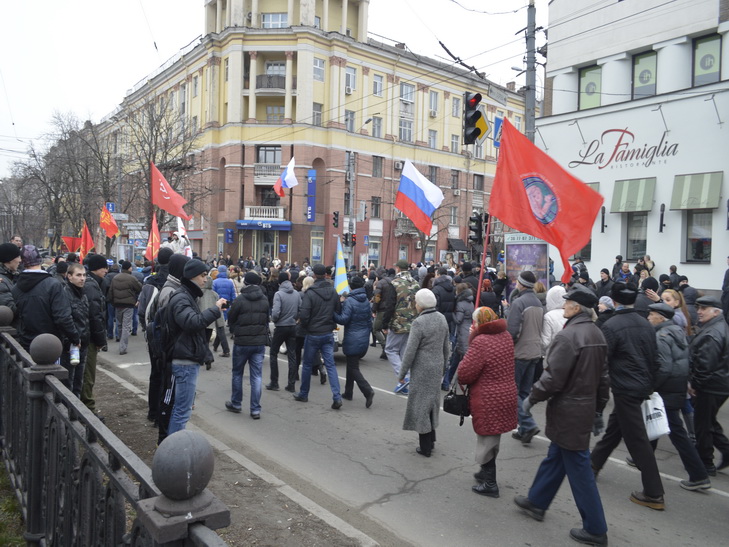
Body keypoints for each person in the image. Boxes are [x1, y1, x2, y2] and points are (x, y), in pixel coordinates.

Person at [515, 284, 609, 547]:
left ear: (576, 308)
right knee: (556, 457)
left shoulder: (569, 337)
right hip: (582, 409)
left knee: (579, 469)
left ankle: (595, 528)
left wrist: (532, 398)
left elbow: (553, 378)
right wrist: (599, 409)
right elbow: (603, 378)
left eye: (568, 302)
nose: (563, 305)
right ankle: (537, 501)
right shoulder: (595, 333)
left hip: (569, 410)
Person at [590, 282, 664, 511]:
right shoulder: (645, 323)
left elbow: (601, 362)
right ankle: (592, 466)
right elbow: (656, 360)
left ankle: (654, 493)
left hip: (625, 388)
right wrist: (650, 385)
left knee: (638, 440)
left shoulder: (611, 325)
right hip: (640, 386)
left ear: (613, 301)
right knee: (615, 429)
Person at [641, 302, 711, 490]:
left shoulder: (661, 336)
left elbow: (664, 366)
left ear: (661, 318)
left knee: (676, 431)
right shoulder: (677, 331)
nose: (648, 318)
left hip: (667, 389)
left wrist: (652, 386)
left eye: (652, 314)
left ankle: (698, 475)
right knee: (657, 421)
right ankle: (642, 458)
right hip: (677, 386)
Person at [457, 306, 516, 497]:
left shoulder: (481, 341)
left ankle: (490, 483)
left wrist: (472, 338)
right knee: (492, 436)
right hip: (506, 393)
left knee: (487, 439)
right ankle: (484, 472)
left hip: (489, 397)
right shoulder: (505, 335)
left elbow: (465, 373)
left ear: (479, 322)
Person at [166, 259, 224, 434]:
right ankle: (175, 453)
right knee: (182, 411)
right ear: (192, 277)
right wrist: (215, 309)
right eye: (203, 275)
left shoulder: (186, 295)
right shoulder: (182, 297)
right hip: (184, 362)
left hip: (187, 359)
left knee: (182, 409)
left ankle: (174, 448)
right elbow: (192, 322)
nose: (205, 279)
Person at [397, 289, 450, 457]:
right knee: (431, 403)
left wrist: (402, 372)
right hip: (437, 366)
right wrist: (444, 366)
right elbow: (446, 347)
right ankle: (431, 440)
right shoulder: (441, 318)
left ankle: (425, 446)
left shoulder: (419, 323)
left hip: (422, 368)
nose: (415, 305)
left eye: (416, 302)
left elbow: (410, 351)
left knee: (420, 405)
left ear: (421, 304)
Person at [688, 296, 729, 476]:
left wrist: (695, 384)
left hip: (711, 386)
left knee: (702, 425)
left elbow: (705, 365)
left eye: (704, 308)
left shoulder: (713, 333)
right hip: (718, 383)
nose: (699, 311)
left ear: (716, 312)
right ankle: (726, 451)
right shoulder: (717, 327)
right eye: (699, 308)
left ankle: (705, 463)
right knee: (709, 421)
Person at [11, 245, 79, 352]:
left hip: (25, 344)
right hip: (50, 345)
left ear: (22, 262)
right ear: (40, 260)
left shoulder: (15, 288)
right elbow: (63, 317)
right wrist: (74, 338)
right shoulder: (53, 285)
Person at [293, 264, 343, 409]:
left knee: (307, 364)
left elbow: (304, 315)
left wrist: (306, 327)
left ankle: (303, 393)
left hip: (313, 333)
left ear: (314, 275)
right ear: (326, 275)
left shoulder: (310, 293)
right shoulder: (333, 291)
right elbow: (337, 310)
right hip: (327, 332)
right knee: (331, 366)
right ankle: (337, 396)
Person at [506, 271, 544, 444]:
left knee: (513, 393)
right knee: (524, 393)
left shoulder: (519, 302)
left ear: (520, 284)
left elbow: (513, 331)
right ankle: (523, 431)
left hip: (520, 352)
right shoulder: (537, 301)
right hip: (535, 351)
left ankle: (528, 425)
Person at [226, 271, 269, 419]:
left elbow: (230, 318)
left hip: (242, 342)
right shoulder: (264, 299)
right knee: (256, 376)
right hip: (258, 342)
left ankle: (236, 403)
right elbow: (266, 318)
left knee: (237, 373)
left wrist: (235, 327)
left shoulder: (240, 299)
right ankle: (255, 409)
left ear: (245, 283)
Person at [62, 263, 105, 398]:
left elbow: (87, 319)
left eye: (84, 275)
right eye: (78, 275)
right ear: (69, 277)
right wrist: (73, 339)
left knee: (78, 383)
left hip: (83, 344)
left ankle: (75, 415)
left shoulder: (83, 295)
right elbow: (64, 319)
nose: (82, 278)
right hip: (71, 346)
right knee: (68, 382)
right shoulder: (65, 294)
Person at [334, 276, 375, 408]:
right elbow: (369, 320)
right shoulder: (365, 300)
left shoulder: (350, 301)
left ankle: (367, 390)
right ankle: (348, 391)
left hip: (352, 336)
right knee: (351, 364)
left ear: (351, 287)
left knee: (353, 367)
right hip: (363, 336)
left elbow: (344, 319)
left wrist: (333, 313)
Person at [382, 259, 420, 393]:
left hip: (398, 322)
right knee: (404, 352)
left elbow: (390, 305)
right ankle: (404, 382)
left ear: (398, 268)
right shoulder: (416, 283)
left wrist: (385, 324)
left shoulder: (395, 283)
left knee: (391, 350)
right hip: (413, 321)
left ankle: (403, 377)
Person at [81, 254, 109, 418]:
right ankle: (88, 409)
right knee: (88, 373)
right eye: (103, 267)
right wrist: (100, 340)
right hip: (89, 337)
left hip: (87, 335)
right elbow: (95, 315)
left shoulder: (92, 284)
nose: (106, 270)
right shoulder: (92, 286)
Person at [267, 271, 300, 392]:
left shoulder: (279, 294)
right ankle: (291, 384)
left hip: (281, 326)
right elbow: (299, 309)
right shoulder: (296, 293)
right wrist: (294, 318)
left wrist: (275, 319)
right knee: (292, 355)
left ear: (279, 282)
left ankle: (274, 382)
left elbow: (275, 313)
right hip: (292, 326)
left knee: (273, 353)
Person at [443, 283, 475, 388]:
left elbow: (458, 320)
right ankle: (447, 382)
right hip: (467, 332)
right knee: (458, 359)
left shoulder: (460, 304)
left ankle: (447, 382)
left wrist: (451, 313)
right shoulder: (471, 303)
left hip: (461, 333)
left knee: (455, 360)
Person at [109, 261, 142, 355]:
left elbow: (111, 291)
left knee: (119, 324)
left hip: (117, 304)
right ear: (129, 268)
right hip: (129, 304)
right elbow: (139, 288)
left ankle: (120, 342)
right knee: (126, 326)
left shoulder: (115, 278)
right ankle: (123, 347)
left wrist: (113, 302)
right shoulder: (132, 278)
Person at [371, 267, 394, 360]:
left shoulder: (381, 283)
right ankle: (386, 349)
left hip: (382, 309)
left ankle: (385, 346)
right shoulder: (393, 281)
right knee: (385, 330)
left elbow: (377, 298)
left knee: (375, 329)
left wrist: (373, 309)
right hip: (391, 308)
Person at [541, 285, 567, 353]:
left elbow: (545, 342)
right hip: (567, 353)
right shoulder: (568, 313)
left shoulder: (548, 316)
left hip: (553, 354)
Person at [0, 242, 21, 318]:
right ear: (9, 259)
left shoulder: (13, 276)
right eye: (18, 257)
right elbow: (11, 309)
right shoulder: (1, 281)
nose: (20, 260)